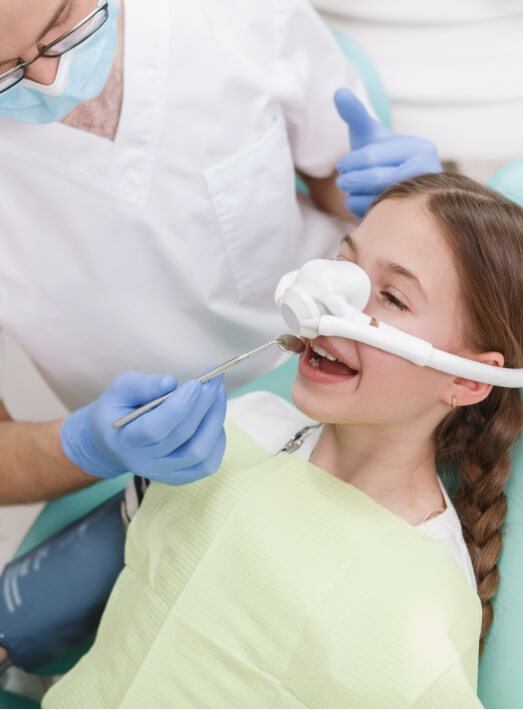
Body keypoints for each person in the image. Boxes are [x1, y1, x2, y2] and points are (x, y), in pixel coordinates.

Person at [27, 173, 520, 707]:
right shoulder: (241, 429)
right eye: (345, 266)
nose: (333, 303)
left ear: (468, 379)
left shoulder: (420, 610)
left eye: (392, 297)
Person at [0, 0, 440, 504]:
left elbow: (335, 181)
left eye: (62, 26)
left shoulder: (233, 15)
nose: (50, 78)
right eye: (5, 71)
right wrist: (88, 446)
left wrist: (397, 196)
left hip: (367, 376)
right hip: (172, 471)